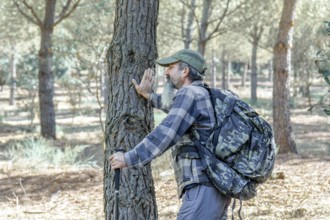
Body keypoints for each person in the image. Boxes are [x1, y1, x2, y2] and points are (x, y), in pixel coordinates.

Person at [109, 49, 231, 219]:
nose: (166, 71)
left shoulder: (189, 94)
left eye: (171, 67)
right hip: (216, 186)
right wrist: (149, 95)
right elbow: (176, 109)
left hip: (202, 188)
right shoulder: (203, 94)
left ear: (185, 71)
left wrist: (128, 158)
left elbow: (165, 134)